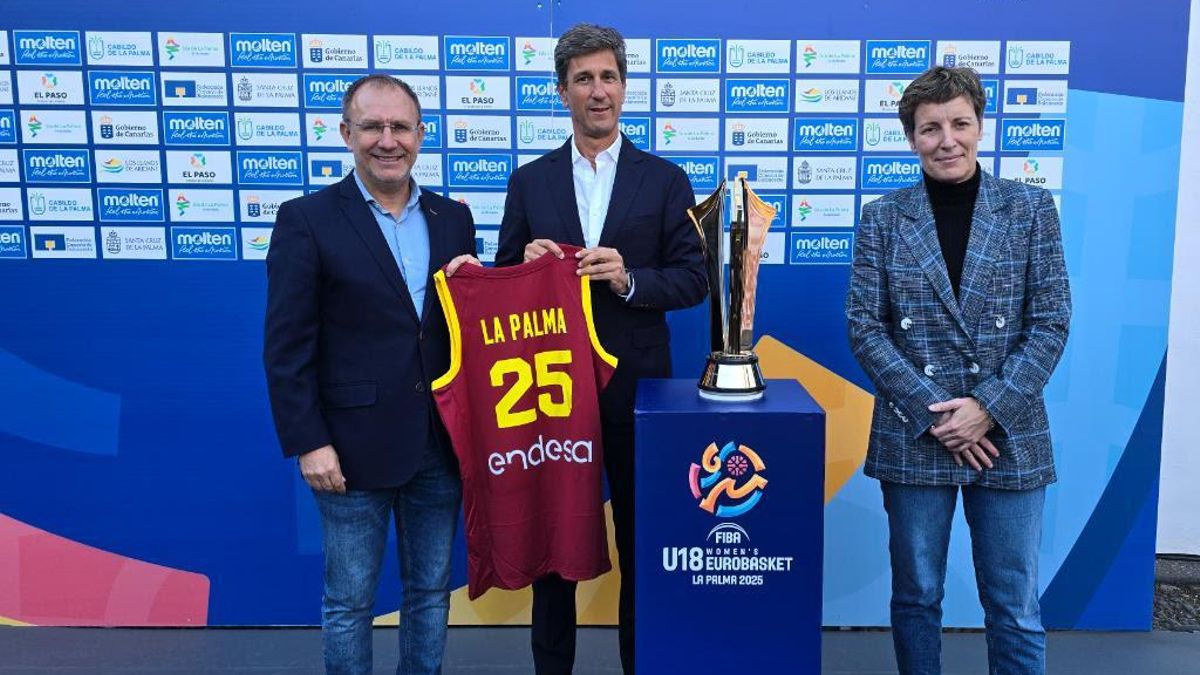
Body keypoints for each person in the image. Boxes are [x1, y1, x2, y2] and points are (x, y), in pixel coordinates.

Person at [496, 23, 707, 675]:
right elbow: (500, 279)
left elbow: (694, 279)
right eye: (583, 79)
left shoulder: (665, 179)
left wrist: (628, 278)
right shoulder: (530, 182)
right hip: (550, 390)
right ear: (562, 92)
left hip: (637, 391)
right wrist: (523, 265)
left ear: (624, 87)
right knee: (554, 545)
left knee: (641, 540)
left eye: (608, 77)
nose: (598, 91)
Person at [846, 65, 1071, 675]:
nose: (947, 140)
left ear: (979, 126)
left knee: (1014, 605)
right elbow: (865, 327)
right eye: (930, 128)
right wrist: (942, 416)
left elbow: (1051, 322)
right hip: (917, 431)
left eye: (959, 124)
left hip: (1008, 432)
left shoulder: (1029, 209)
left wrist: (986, 408)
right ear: (911, 138)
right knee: (916, 597)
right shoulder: (883, 217)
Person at [263, 74, 479, 675]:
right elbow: (286, 346)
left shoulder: (452, 219)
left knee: (430, 593)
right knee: (350, 602)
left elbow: (465, 327)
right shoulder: (306, 219)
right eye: (373, 127)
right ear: (346, 133)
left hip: (440, 445)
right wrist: (309, 442)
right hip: (348, 451)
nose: (388, 140)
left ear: (420, 135)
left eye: (400, 127)